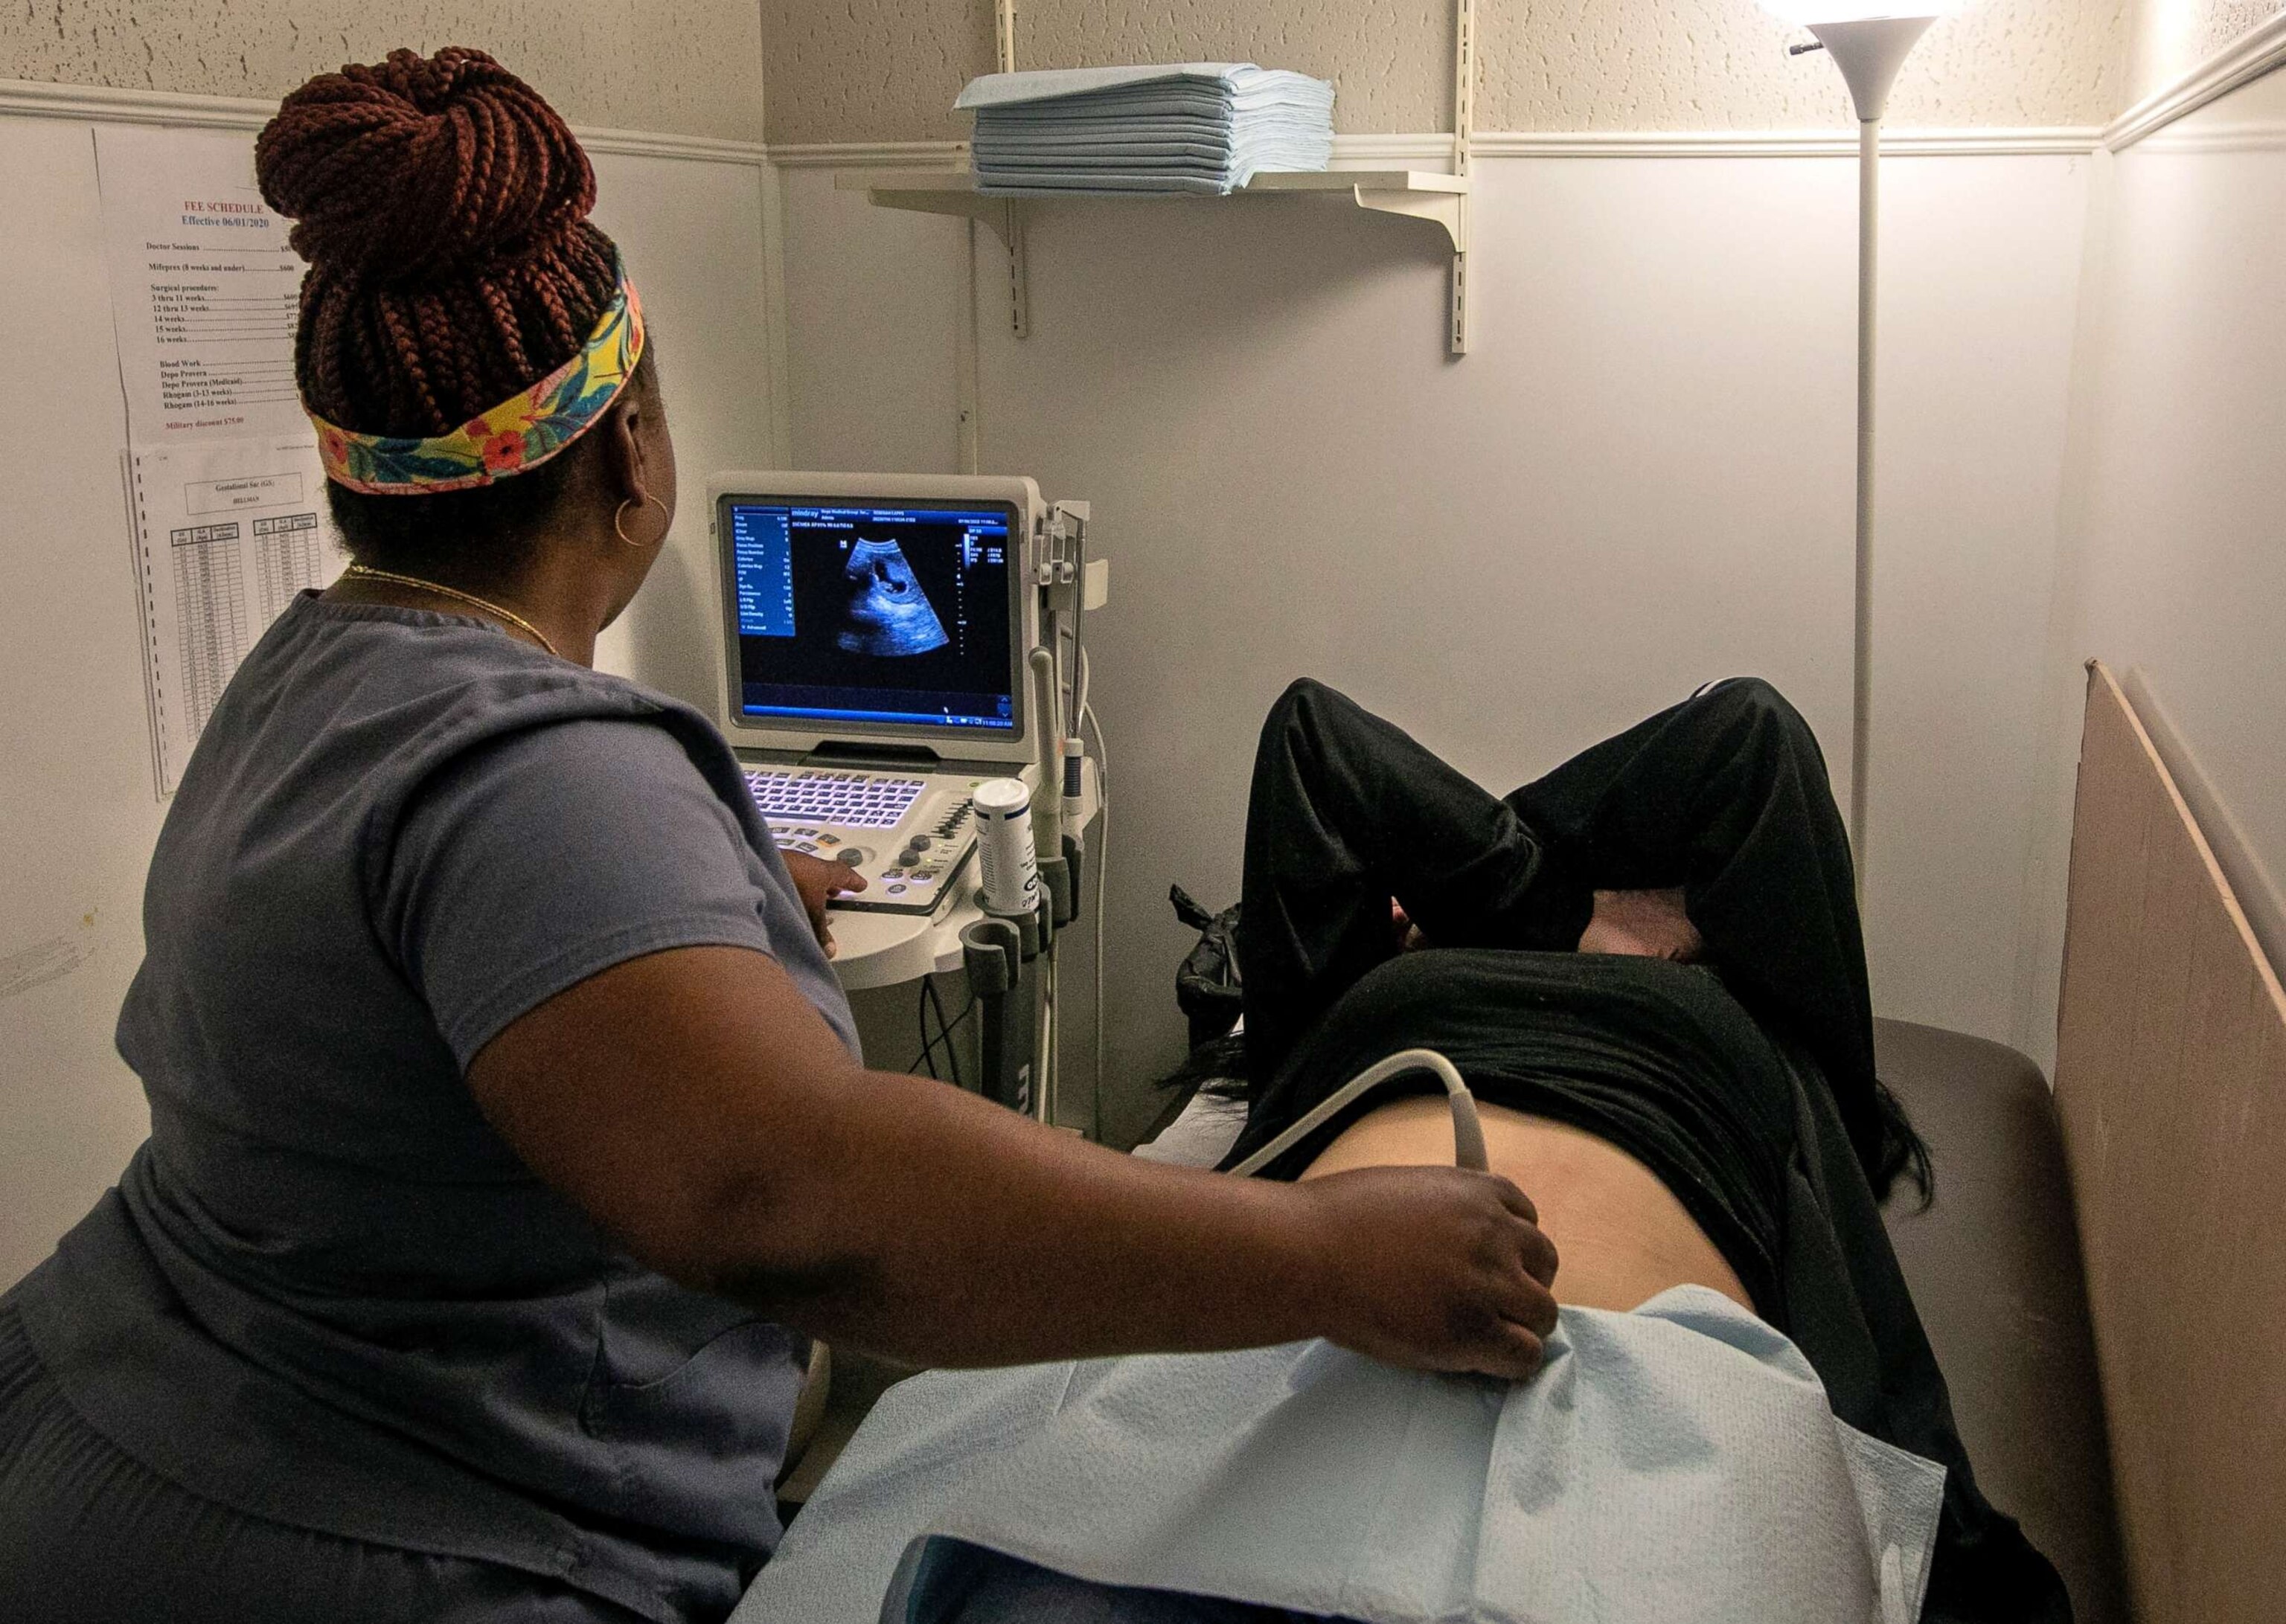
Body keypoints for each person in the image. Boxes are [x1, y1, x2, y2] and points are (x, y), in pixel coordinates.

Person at [0, 52, 1560, 1624]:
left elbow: (476, 1007)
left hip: (123, 1414)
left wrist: (711, 908)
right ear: (627, 456)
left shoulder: (307, 688)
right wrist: (1322, 1258)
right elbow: (794, 1206)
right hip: (369, 1541)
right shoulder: (540, 777)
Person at [743, 678, 2074, 1623]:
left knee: (1747, 724)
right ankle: (1545, 897)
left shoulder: (1746, 1031)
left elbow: (1754, 753)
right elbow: (1318, 745)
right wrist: (1560, 919)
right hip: (1354, 1211)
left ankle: (1541, 894)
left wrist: (1539, 923)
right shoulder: (1630, 1012)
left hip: (1586, 1220)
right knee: (1339, 720)